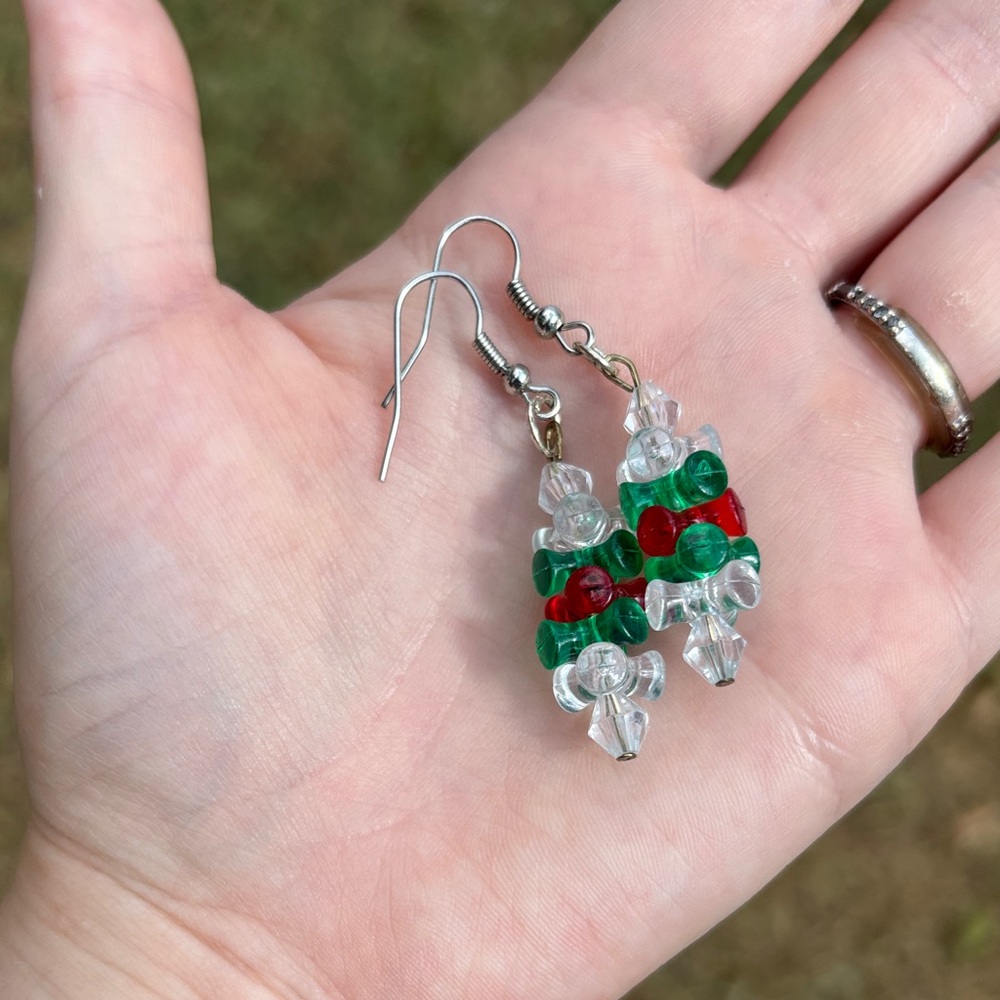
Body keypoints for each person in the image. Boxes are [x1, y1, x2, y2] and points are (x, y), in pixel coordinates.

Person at [1, 0, 998, 996]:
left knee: (644, 496)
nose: (635, 685)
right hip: (617, 514)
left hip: (647, 492)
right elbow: (606, 579)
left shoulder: (666, 503)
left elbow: (666, 545)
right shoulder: (593, 564)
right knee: (611, 521)